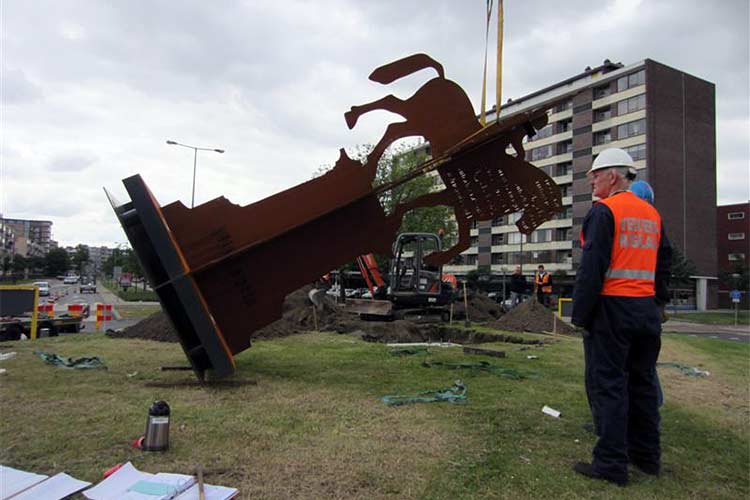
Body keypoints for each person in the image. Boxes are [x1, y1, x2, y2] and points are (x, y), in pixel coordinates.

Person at [571, 148, 672, 486]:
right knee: (642, 384)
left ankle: (612, 464)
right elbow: (663, 262)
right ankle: (647, 458)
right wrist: (659, 303)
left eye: (595, 175)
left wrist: (581, 315)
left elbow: (592, 269)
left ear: (612, 176)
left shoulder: (605, 211)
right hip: (645, 311)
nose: (591, 180)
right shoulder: (651, 215)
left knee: (610, 386)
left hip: (613, 309)